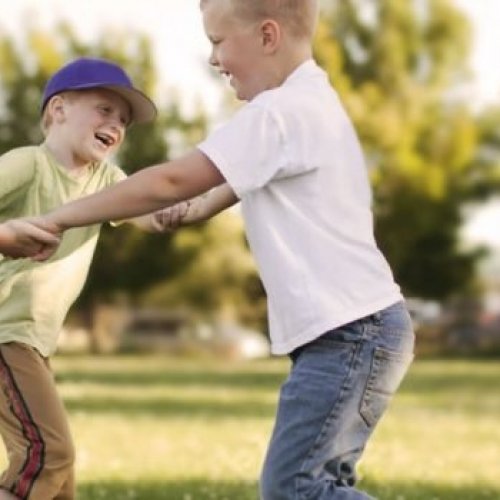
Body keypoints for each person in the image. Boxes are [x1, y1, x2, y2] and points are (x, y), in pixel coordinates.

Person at [2, 1, 415, 498]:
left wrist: (53, 219)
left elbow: (171, 183)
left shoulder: (279, 112)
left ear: (267, 36)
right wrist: (197, 206)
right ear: (57, 109)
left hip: (352, 331)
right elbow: (227, 184)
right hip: (359, 329)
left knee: (297, 487)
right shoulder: (309, 104)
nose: (214, 60)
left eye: (218, 41)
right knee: (311, 485)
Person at [0, 56, 168, 500]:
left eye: (125, 119)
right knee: (49, 457)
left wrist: (230, 183)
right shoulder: (28, 165)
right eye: (105, 109)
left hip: (31, 340)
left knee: (59, 487)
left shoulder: (107, 180)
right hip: (4, 331)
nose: (117, 124)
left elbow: (158, 214)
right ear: (58, 110)